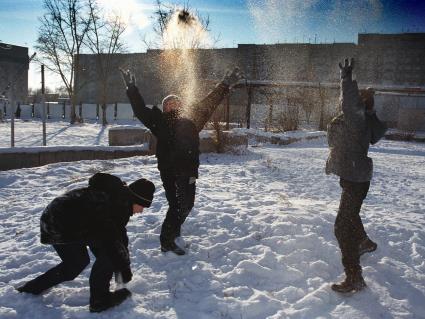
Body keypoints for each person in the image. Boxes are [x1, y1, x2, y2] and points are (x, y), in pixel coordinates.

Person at [120, 67, 243, 255]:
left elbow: (211, 101)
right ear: (164, 107)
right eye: (168, 103)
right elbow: (139, 109)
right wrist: (131, 87)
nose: (172, 104)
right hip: (171, 170)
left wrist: (225, 84)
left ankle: (174, 230)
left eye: (175, 102)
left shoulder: (193, 118)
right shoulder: (159, 121)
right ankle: (166, 242)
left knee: (187, 205)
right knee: (177, 205)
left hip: (190, 171)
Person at [16, 173, 155, 312]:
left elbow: (118, 235)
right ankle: (99, 301)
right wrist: (122, 268)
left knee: (83, 262)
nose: (141, 211)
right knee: (96, 258)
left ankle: (30, 289)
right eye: (142, 206)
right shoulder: (116, 205)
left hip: (68, 221)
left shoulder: (120, 201)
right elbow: (111, 242)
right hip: (58, 223)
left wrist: (123, 268)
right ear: (135, 200)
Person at [326, 58, 387, 293]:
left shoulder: (356, 116)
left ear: (358, 104)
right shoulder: (362, 119)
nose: (344, 103)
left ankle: (354, 277)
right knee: (350, 215)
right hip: (355, 176)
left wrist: (346, 78)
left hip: (355, 177)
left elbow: (349, 101)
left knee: (342, 227)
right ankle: (364, 241)